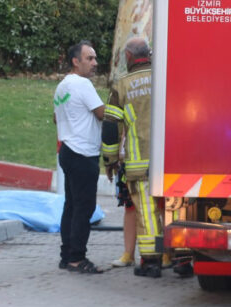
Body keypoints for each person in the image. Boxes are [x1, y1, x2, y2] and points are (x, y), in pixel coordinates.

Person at [101, 37, 165, 277]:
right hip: (171, 162)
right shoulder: (165, 76)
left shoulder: (122, 85)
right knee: (176, 207)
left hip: (141, 166)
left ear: (128, 57)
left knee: (147, 213)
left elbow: (111, 127)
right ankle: (181, 258)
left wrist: (110, 161)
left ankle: (151, 262)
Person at [54, 40, 105, 274]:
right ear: (76, 61)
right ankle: (77, 259)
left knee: (71, 206)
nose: (95, 63)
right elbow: (102, 113)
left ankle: (67, 255)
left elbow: (56, 118)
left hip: (68, 150)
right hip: (83, 153)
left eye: (94, 58)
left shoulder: (62, 86)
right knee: (84, 208)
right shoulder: (82, 85)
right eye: (89, 58)